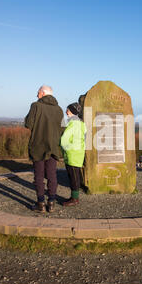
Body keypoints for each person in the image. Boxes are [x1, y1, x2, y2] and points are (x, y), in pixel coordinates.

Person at [24, 85, 64, 213]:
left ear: (42, 93)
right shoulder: (59, 109)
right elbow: (62, 128)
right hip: (53, 146)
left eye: (38, 93)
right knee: (52, 175)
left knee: (39, 176)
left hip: (39, 145)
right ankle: (51, 202)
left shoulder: (36, 106)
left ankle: (40, 203)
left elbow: (28, 124)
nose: (36, 95)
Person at [60, 102, 86, 207]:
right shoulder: (81, 124)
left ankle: (74, 199)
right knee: (76, 176)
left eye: (68, 110)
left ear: (72, 112)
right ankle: (74, 197)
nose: (66, 111)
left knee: (73, 177)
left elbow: (64, 140)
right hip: (79, 153)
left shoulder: (72, 123)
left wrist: (66, 149)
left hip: (72, 154)